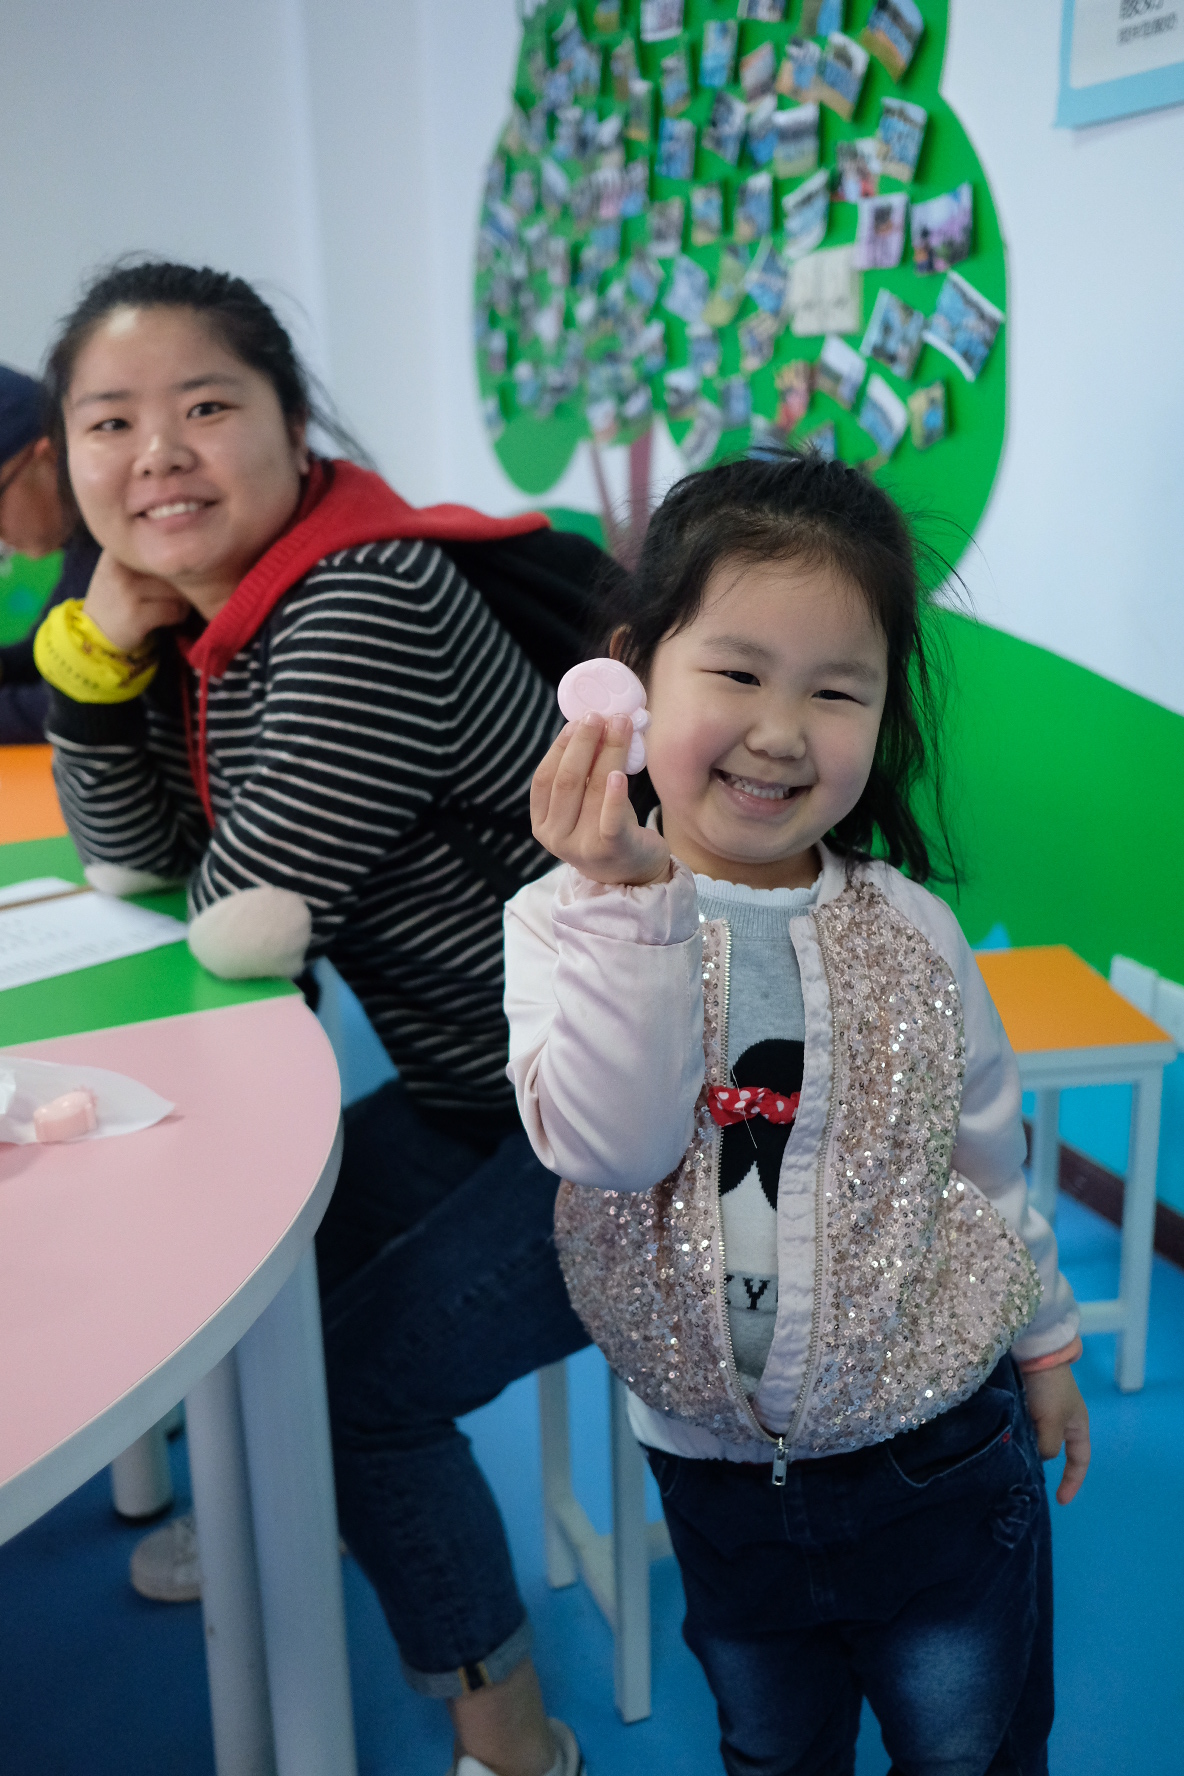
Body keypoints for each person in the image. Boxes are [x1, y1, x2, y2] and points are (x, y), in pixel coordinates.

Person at [35, 258, 597, 1776]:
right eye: (111, 421)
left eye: (206, 407)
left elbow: (235, 916)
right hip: (488, 1093)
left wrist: (109, 663)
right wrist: (95, 658)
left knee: (354, 1387)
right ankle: (280, 1524)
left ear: (294, 428)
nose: (158, 452)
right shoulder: (224, 620)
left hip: (640, 1120)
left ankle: (515, 1743)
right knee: (233, 1260)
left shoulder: (362, 600)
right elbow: (137, 862)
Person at [506, 453, 1091, 1776]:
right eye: (736, 672)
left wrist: (1046, 1344)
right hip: (717, 1482)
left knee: (970, 1749)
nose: (780, 731)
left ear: (883, 712)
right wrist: (626, 905)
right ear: (633, 678)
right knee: (774, 1754)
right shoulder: (562, 922)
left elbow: (984, 1163)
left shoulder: (914, 930)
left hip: (938, 1455)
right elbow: (616, 1149)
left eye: (836, 691)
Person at [0, 364, 98, 742]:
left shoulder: (134, 548)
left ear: (50, 456)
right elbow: (51, 655)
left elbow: (94, 698)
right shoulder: (84, 548)